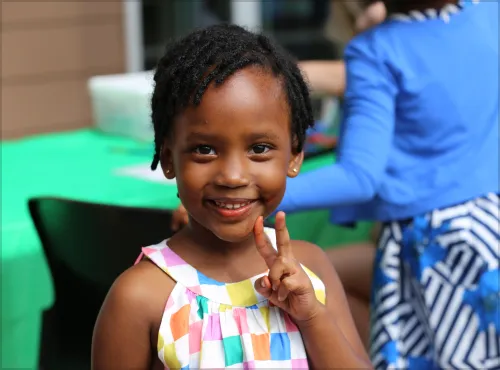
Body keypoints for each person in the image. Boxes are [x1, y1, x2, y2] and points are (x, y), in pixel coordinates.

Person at [91, 24, 371, 369]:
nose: (233, 176)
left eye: (259, 148)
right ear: (167, 160)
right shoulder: (140, 297)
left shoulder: (310, 269)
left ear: (295, 155)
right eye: (205, 150)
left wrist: (312, 316)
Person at [275, 0, 500, 369]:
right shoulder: (487, 11)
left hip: (432, 247)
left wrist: (260, 194)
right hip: (490, 228)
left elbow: (359, 177)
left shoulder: (379, 50)